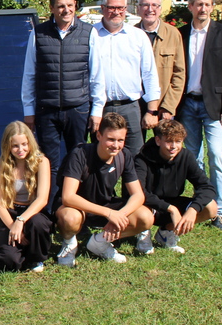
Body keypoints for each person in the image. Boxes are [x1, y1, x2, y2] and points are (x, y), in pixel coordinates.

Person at [21, 0, 105, 206]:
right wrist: (29, 112)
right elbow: (29, 74)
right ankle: (51, 211)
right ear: (52, 8)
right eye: (60, 6)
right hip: (46, 110)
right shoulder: (38, 34)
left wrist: (97, 111)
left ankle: (77, 211)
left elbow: (97, 76)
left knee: (78, 161)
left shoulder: (89, 32)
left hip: (78, 109)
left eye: (70, 5)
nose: (66, 10)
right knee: (49, 163)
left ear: (75, 5)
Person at [55, 112, 152, 266]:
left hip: (105, 204)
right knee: (70, 218)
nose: (116, 145)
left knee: (145, 218)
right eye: (111, 139)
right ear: (99, 136)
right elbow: (68, 196)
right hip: (76, 207)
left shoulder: (124, 155)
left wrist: (119, 215)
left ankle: (100, 242)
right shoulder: (80, 154)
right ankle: (69, 245)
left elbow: (138, 195)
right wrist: (108, 213)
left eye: (121, 140)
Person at [178, 0, 222, 231]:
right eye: (198, 4)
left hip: (213, 105)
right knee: (192, 157)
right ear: (190, 6)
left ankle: (219, 210)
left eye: (207, 4)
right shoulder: (180, 33)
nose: (203, 8)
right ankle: (200, 204)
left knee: (217, 156)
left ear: (212, 7)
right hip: (187, 104)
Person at [134, 119, 217, 254]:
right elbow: (139, 192)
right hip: (148, 203)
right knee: (140, 206)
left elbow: (206, 187)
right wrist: (171, 209)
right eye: (168, 141)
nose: (173, 146)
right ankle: (143, 233)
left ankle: (167, 231)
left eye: (178, 141)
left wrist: (193, 209)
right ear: (158, 141)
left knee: (211, 207)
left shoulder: (186, 156)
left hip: (172, 202)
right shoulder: (142, 159)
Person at [94, 0, 160, 157]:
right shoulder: (91, 34)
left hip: (130, 108)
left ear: (126, 9)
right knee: (100, 158)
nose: (117, 12)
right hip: (101, 108)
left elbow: (150, 73)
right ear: (103, 7)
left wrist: (152, 110)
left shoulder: (138, 36)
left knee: (135, 159)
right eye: (111, 7)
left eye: (121, 8)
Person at [0, 120, 52, 273]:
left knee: (38, 223)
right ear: (8, 146)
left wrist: (21, 220)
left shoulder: (42, 162)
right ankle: (19, 252)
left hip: (33, 212)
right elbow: (0, 204)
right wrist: (13, 227)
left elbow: (42, 199)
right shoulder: (2, 165)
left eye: (24, 144)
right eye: (15, 145)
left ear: (30, 142)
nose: (20, 149)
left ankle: (36, 258)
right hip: (10, 212)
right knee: (8, 262)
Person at [136, 0, 186, 134]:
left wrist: (168, 107)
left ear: (160, 9)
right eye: (145, 5)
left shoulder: (173, 34)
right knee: (135, 149)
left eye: (154, 5)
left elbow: (179, 74)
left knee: (165, 149)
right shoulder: (131, 34)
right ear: (138, 8)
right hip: (136, 105)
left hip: (163, 105)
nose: (150, 9)